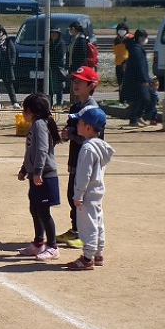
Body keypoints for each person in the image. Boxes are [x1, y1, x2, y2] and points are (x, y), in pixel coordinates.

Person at [57, 66, 103, 249]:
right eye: (74, 81)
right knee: (72, 195)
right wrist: (65, 134)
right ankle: (76, 229)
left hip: (88, 161)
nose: (75, 84)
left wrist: (72, 134)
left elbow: (92, 137)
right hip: (76, 159)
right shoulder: (76, 107)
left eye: (80, 82)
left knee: (84, 198)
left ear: (91, 85)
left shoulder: (93, 110)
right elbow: (71, 130)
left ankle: (86, 235)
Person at [65, 107, 114, 270]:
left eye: (79, 122)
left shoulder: (87, 148)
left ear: (88, 127)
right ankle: (98, 254)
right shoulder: (100, 145)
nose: (76, 125)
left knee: (87, 225)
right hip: (97, 190)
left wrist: (78, 195)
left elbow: (83, 175)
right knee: (97, 221)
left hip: (87, 193)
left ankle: (87, 258)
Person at [17, 93, 62, 262]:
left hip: (45, 176)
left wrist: (38, 171)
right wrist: (24, 169)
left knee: (43, 211)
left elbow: (42, 149)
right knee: (34, 209)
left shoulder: (40, 125)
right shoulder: (35, 125)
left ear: (31, 111)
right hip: (35, 175)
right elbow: (31, 151)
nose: (23, 113)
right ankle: (38, 243)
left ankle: (52, 247)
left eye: (24, 110)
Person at [121, 29, 153, 127]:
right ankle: (134, 118)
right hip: (138, 79)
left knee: (141, 99)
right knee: (143, 98)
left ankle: (136, 117)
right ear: (140, 37)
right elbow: (140, 65)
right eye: (144, 37)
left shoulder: (135, 47)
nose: (145, 39)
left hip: (136, 78)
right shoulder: (136, 49)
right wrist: (144, 79)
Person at [66, 21, 89, 104]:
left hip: (78, 68)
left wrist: (76, 69)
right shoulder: (74, 38)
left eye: (70, 29)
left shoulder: (81, 39)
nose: (70, 31)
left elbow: (81, 55)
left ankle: (78, 104)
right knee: (73, 88)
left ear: (73, 29)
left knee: (77, 88)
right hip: (73, 67)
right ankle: (74, 104)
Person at [113, 22, 131, 103]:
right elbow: (115, 51)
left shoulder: (129, 39)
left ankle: (127, 99)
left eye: (123, 29)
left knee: (126, 83)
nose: (121, 31)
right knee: (120, 83)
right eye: (120, 29)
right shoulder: (116, 40)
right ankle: (122, 100)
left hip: (126, 63)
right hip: (118, 64)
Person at [48, 27, 66, 108]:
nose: (53, 34)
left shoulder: (61, 43)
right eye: (52, 32)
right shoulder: (48, 43)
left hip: (58, 68)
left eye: (55, 33)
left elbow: (59, 56)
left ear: (59, 34)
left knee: (59, 87)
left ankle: (59, 103)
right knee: (49, 87)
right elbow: (44, 53)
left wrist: (51, 60)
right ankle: (50, 103)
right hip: (49, 68)